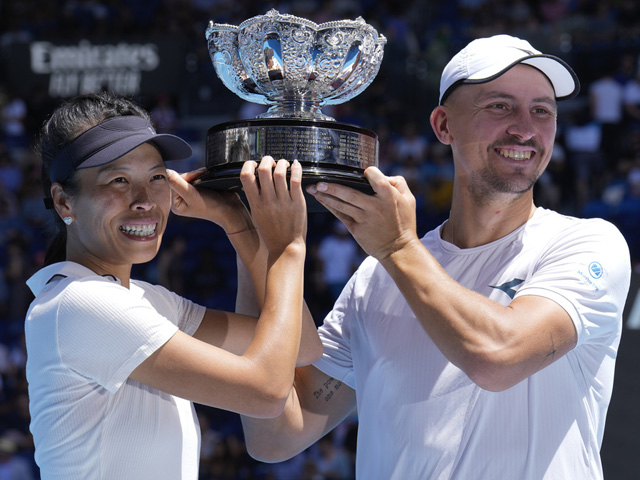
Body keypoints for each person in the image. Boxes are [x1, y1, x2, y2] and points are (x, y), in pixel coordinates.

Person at [239, 34, 632, 479]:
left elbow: (498, 357)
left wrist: (398, 248)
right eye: (499, 106)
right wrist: (252, 236)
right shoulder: (376, 277)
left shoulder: (586, 244)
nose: (525, 128)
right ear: (443, 125)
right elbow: (276, 436)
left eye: (542, 110)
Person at [24, 91, 322, 479]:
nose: (145, 200)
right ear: (64, 203)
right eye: (118, 180)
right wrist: (287, 247)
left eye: (157, 177)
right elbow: (265, 392)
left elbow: (300, 346)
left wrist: (238, 223)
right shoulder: (80, 302)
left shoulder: (147, 301)